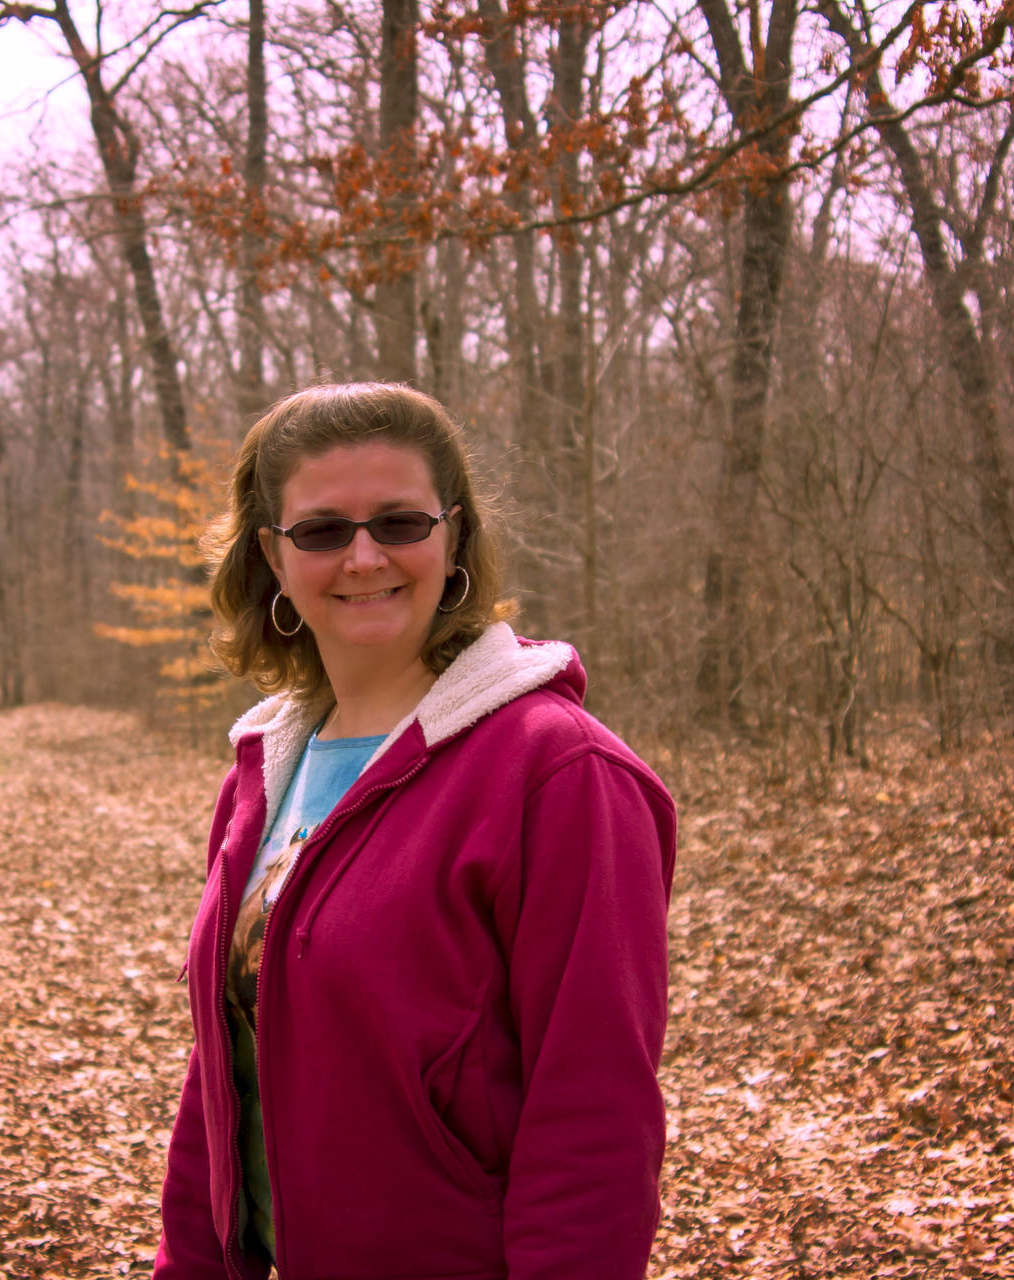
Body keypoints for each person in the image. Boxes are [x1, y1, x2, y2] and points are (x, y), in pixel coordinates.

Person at [153, 383, 679, 1280]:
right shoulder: (265, 768)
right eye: (321, 531)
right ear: (272, 561)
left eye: (400, 523)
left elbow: (595, 1123)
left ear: (454, 536)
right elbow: (223, 1073)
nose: (365, 558)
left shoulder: (557, 775)